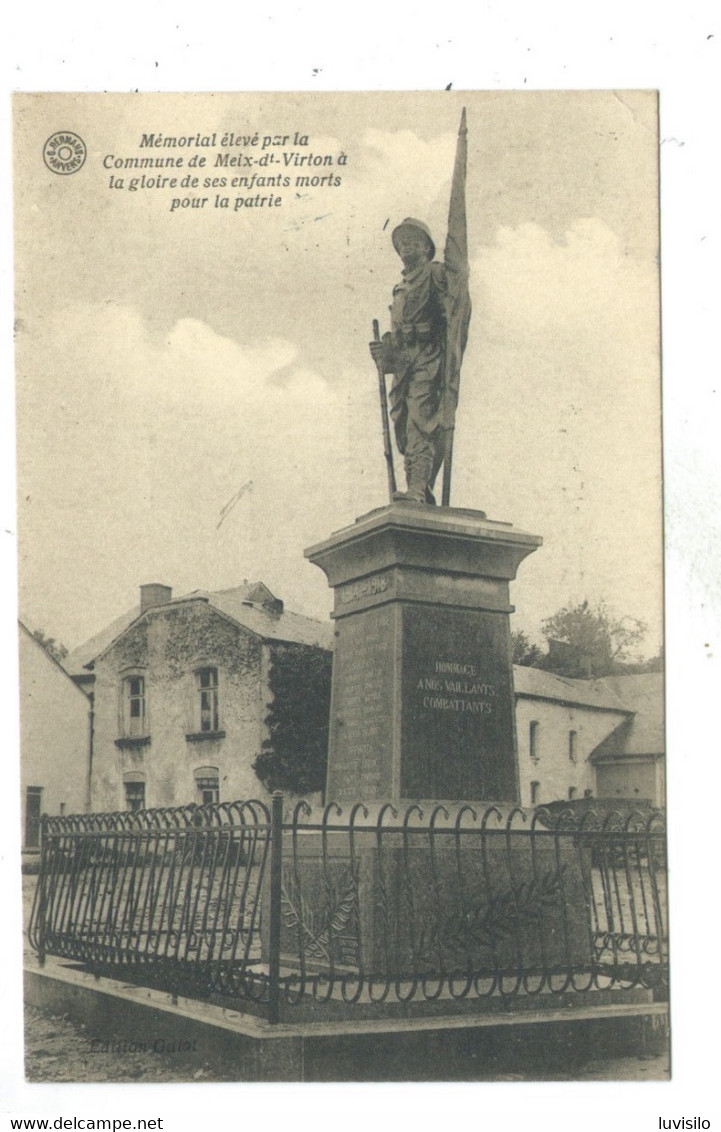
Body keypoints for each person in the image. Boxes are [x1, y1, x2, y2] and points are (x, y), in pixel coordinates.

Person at [370, 218, 450, 504]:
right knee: (403, 425)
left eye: (414, 240)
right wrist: (385, 354)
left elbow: (452, 311)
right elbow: (400, 334)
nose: (407, 245)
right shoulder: (399, 287)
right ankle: (421, 489)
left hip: (428, 357)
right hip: (404, 362)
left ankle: (417, 489)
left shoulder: (436, 274)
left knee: (420, 421)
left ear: (428, 248)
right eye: (402, 241)